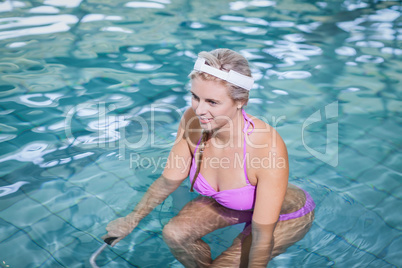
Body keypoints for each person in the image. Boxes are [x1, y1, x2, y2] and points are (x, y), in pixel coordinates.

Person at [102, 48, 315, 267]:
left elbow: (262, 235)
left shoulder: (265, 147)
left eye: (212, 102)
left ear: (241, 100)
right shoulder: (192, 121)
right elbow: (169, 180)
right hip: (229, 205)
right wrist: (131, 219)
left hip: (284, 217)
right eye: (195, 97)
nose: (200, 110)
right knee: (174, 233)